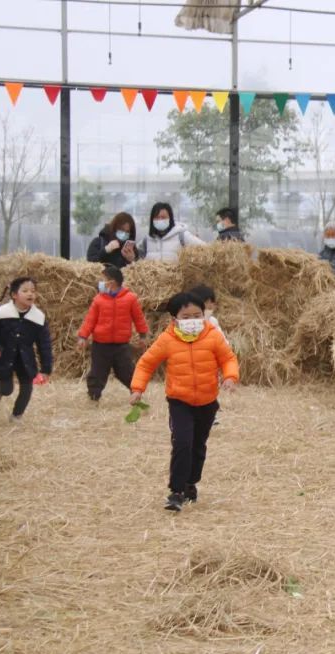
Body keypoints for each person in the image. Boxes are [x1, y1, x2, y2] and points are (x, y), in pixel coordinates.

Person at [130, 292, 239, 512]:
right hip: (180, 402)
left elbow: (228, 358)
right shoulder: (167, 340)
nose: (193, 321)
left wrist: (230, 376)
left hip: (207, 402)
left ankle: (191, 483)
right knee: (182, 443)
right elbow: (146, 364)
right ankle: (176, 491)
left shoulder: (213, 336)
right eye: (186, 317)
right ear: (174, 319)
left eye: (197, 315)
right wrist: (137, 389)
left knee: (198, 446)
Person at [0, 277, 53, 422]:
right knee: (7, 390)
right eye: (25, 291)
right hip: (4, 355)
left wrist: (46, 369)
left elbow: (44, 345)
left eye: (33, 291)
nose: (30, 294)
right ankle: (0, 388)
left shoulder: (38, 318)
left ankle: (16, 415)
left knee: (27, 387)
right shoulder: (1, 313)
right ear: (14, 295)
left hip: (25, 358)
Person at [76, 264, 149, 403]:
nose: (101, 283)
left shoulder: (130, 298)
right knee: (97, 372)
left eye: (103, 279)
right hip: (100, 345)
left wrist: (143, 335)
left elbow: (138, 318)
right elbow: (90, 320)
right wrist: (83, 336)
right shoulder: (98, 300)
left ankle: (136, 394)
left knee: (127, 371)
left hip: (121, 346)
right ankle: (94, 397)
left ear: (112, 282)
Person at [138, 202, 204, 262]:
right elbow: (138, 259)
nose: (160, 220)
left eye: (163, 217)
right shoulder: (147, 239)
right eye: (157, 217)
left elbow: (204, 248)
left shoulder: (182, 235)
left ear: (170, 219)